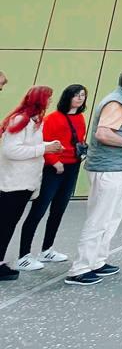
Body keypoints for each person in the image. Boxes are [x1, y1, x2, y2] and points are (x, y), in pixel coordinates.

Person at [66, 67, 122, 286]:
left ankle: (97, 261)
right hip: (109, 170)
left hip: (120, 168)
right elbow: (103, 133)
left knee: (111, 217)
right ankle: (80, 268)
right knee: (99, 218)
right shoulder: (117, 103)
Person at [16, 84, 86, 271]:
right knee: (38, 210)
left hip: (72, 166)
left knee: (59, 209)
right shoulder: (52, 119)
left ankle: (47, 249)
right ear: (67, 97)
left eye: (82, 95)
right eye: (76, 95)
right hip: (53, 169)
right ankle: (24, 254)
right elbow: (43, 142)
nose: (80, 98)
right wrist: (55, 161)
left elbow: (79, 140)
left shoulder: (80, 118)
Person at [0, 87, 62, 281]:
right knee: (5, 223)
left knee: (8, 223)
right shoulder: (22, 120)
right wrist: (44, 148)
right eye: (49, 98)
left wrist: (46, 146)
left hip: (23, 182)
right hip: (14, 183)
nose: (51, 102)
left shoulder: (33, 120)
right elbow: (11, 150)